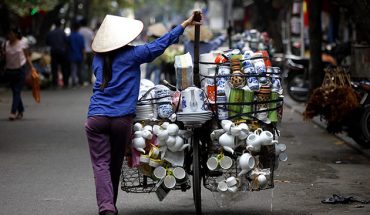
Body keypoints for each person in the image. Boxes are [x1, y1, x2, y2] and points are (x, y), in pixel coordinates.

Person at [85, 11, 201, 215]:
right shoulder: (132, 55)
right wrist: (183, 25)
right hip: (122, 120)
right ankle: (108, 208)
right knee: (113, 164)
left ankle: (108, 208)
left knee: (101, 164)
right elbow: (159, 45)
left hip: (96, 119)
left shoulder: (98, 59)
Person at [4, 27, 34, 120]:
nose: (9, 36)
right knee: (15, 91)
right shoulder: (6, 44)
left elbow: (27, 56)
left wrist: (32, 68)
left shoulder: (23, 43)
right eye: (8, 34)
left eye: (11, 34)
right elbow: (4, 57)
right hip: (10, 70)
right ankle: (20, 110)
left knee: (17, 91)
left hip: (20, 69)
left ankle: (13, 112)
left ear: (16, 34)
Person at [46, 20, 69, 88]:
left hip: (54, 52)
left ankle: (54, 83)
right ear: (60, 25)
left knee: (54, 68)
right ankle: (65, 83)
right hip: (62, 52)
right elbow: (67, 42)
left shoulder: (50, 33)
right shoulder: (63, 33)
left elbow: (47, 42)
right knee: (64, 68)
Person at [68, 21, 85, 87]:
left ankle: (74, 82)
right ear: (78, 28)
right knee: (80, 69)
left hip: (72, 55)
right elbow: (82, 47)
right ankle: (81, 82)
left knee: (73, 69)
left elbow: (67, 45)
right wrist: (84, 55)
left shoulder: (70, 36)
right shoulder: (80, 37)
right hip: (79, 55)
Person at [79, 18, 94, 85]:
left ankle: (81, 81)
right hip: (89, 51)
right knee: (90, 66)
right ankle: (89, 80)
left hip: (81, 51)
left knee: (81, 66)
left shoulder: (79, 31)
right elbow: (92, 41)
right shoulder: (89, 31)